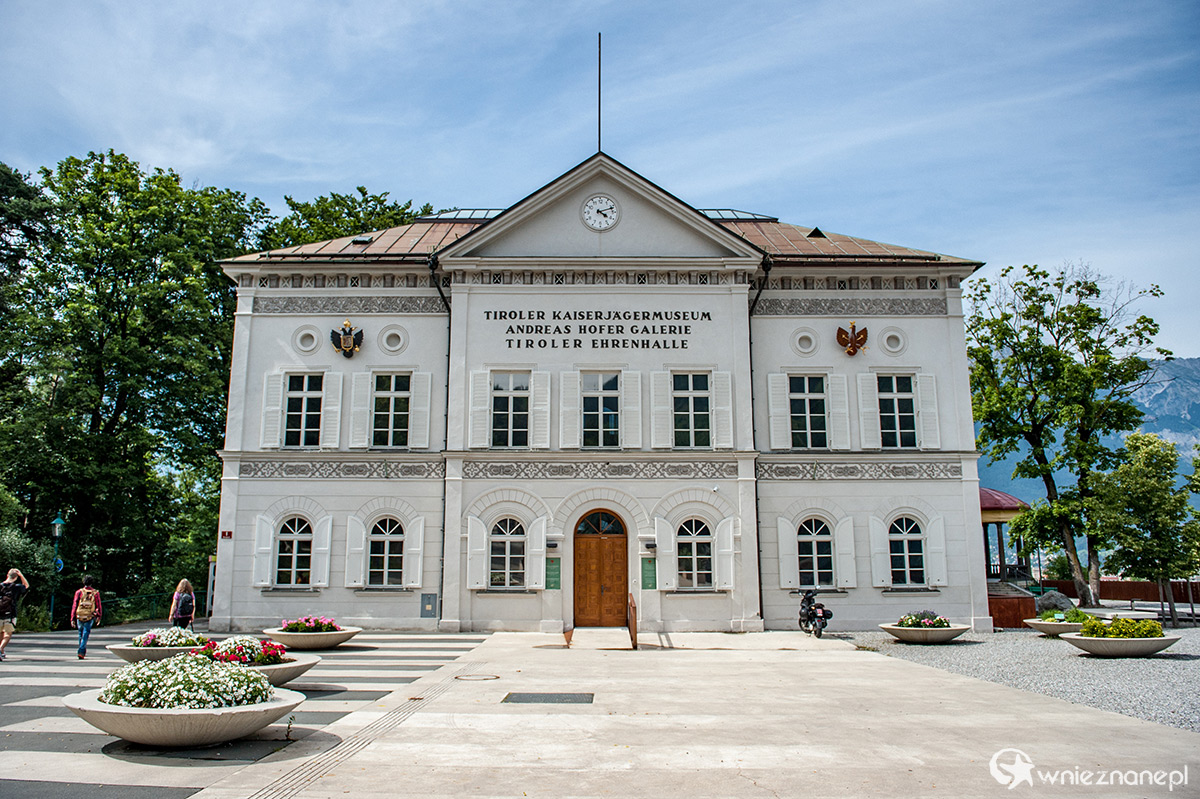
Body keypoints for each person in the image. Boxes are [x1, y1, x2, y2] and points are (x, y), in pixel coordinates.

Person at [0, 568, 30, 661]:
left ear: (7, 575)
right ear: (16, 577)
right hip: (10, 613)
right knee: (8, 634)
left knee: (0, 633)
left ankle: (2, 651)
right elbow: (26, 585)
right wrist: (21, 575)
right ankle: (0, 649)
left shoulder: (0, 586)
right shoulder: (16, 587)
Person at [70, 575, 102, 659]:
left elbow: (75, 605)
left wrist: (72, 618)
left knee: (80, 633)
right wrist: (99, 616)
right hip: (89, 616)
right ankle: (81, 651)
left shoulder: (79, 592)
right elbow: (98, 605)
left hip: (79, 615)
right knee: (86, 633)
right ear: (91, 582)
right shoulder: (95, 593)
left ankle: (81, 649)